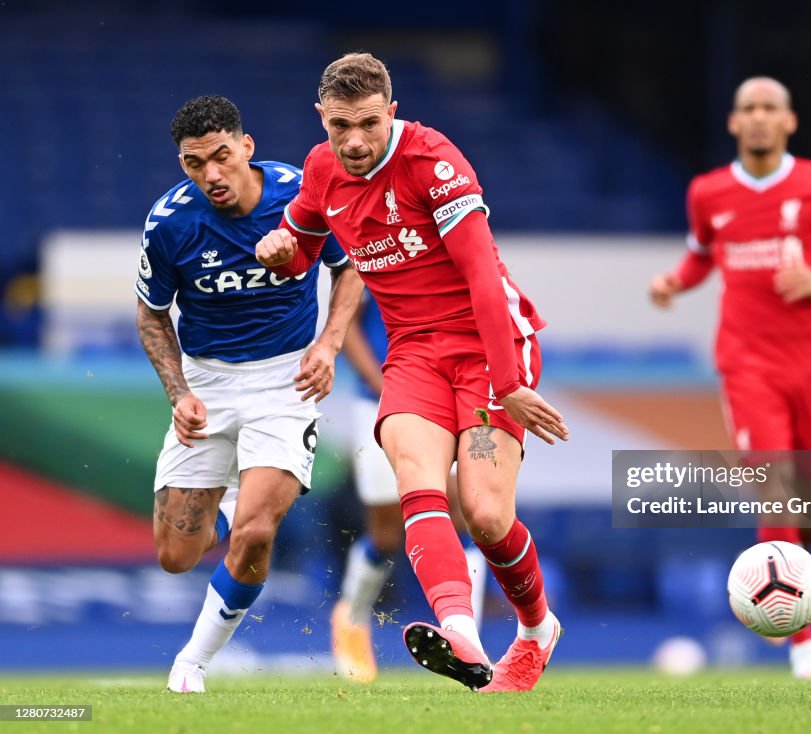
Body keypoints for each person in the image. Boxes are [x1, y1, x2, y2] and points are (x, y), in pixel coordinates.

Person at [255, 52, 569, 693]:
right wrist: (281, 252)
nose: (355, 141)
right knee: (416, 486)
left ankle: (537, 631)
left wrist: (508, 383)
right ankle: (462, 635)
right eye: (340, 125)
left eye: (369, 123)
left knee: (483, 512)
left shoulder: (431, 159)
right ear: (323, 118)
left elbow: (483, 276)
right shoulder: (320, 171)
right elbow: (304, 257)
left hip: (488, 349)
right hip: (414, 356)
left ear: (391, 112)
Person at [649, 77, 811, 679]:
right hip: (746, 362)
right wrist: (676, 280)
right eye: (747, 108)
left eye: (769, 108)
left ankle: (791, 578)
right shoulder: (709, 191)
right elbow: (703, 253)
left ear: (789, 121)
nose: (757, 118)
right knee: (773, 485)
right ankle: (802, 640)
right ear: (733, 123)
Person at [135, 95, 362, 693]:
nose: (210, 174)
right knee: (176, 554)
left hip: (286, 382)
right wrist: (178, 391)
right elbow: (151, 315)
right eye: (193, 163)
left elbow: (350, 266)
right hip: (207, 384)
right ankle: (229, 504)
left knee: (257, 534)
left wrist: (328, 344)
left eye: (220, 156)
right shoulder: (168, 224)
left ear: (246, 147)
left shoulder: (300, 197)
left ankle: (191, 663)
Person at [329, 293, 488, 683]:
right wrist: (379, 382)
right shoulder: (374, 244)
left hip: (453, 394)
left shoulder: (465, 244)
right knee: (386, 532)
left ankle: (469, 642)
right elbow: (345, 321)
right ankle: (351, 617)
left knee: (466, 513)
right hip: (382, 400)